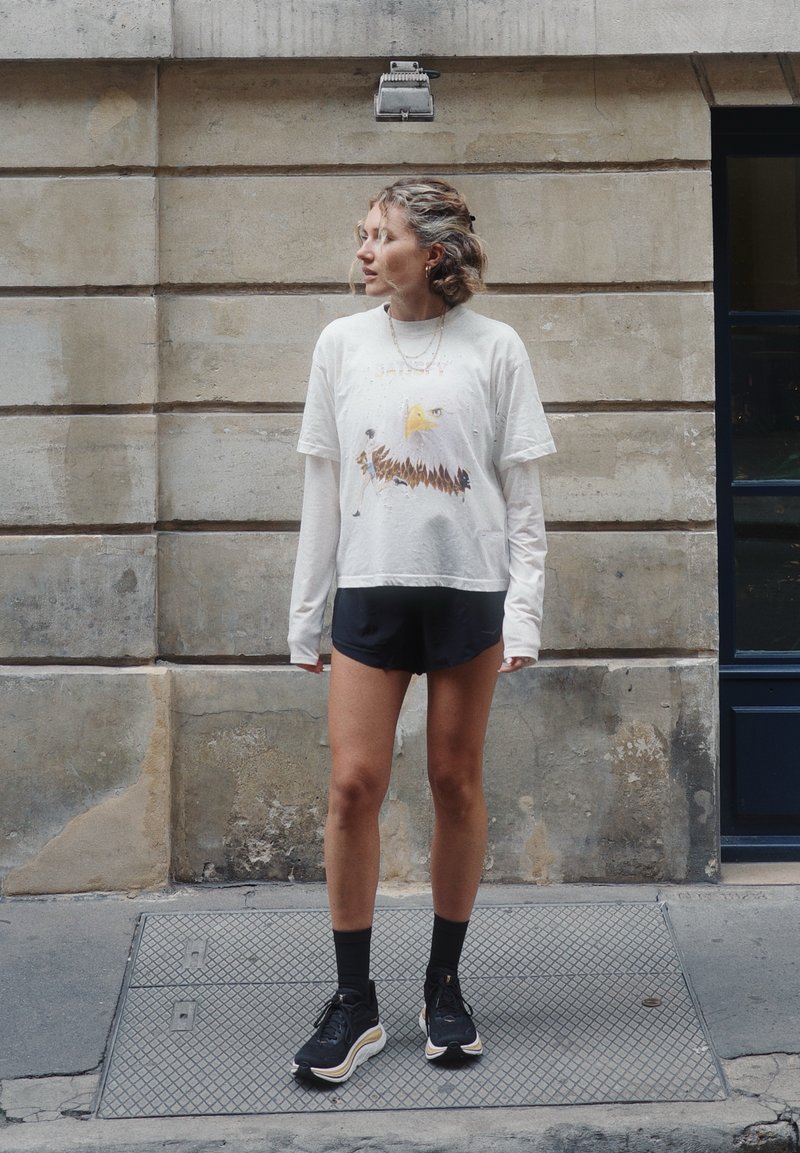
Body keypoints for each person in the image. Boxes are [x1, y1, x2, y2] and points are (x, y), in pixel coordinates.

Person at [287, 177, 555, 1085]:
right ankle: (353, 1000)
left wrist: (523, 613)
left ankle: (444, 985)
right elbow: (323, 483)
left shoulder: (495, 346)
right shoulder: (341, 344)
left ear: (432, 252)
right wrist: (306, 614)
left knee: (454, 781)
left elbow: (523, 499)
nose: (364, 250)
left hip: (468, 592)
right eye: (361, 233)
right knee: (353, 784)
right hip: (369, 591)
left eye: (382, 235)